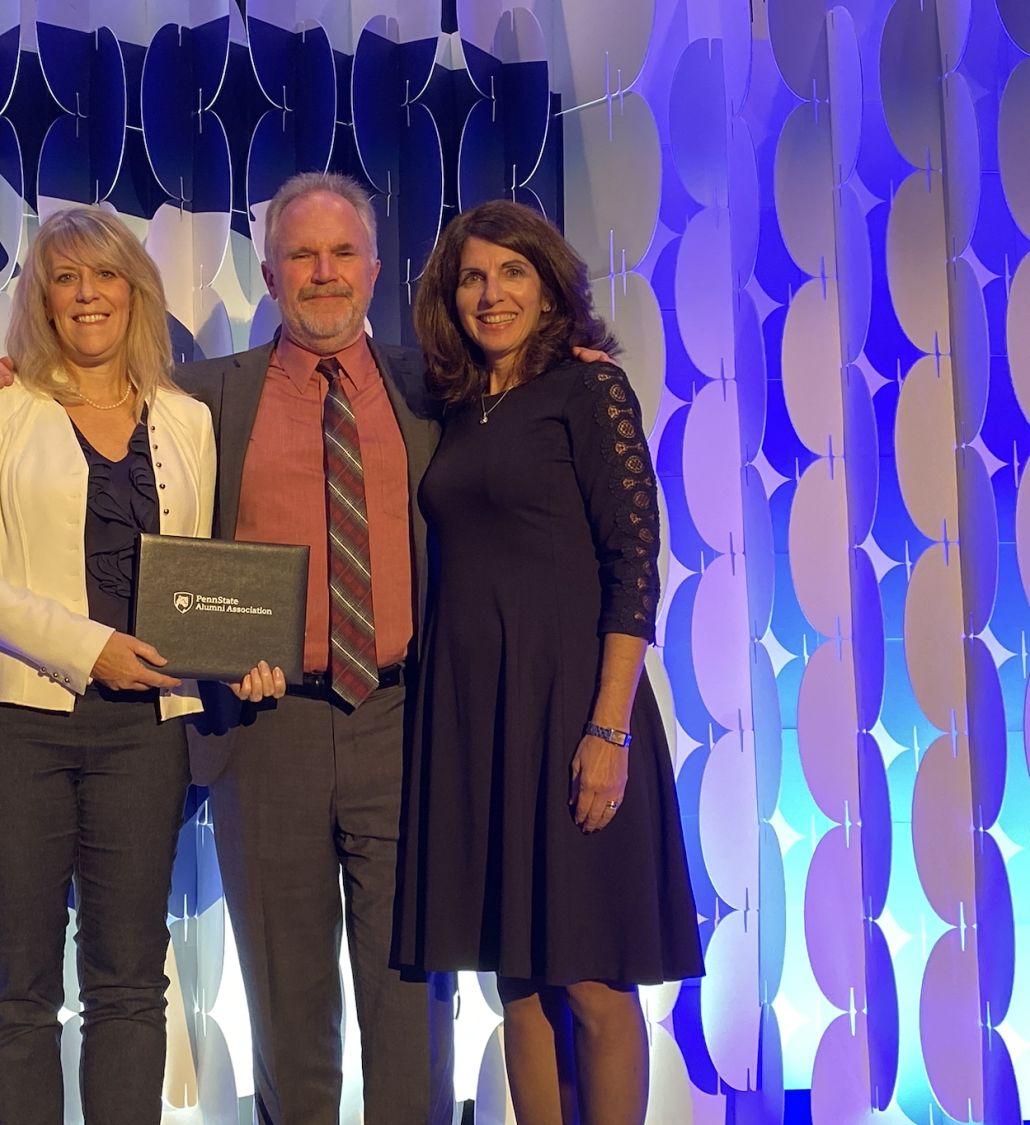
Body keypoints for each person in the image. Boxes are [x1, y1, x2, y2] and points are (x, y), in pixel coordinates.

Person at [0, 177, 607, 1124]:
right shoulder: (206, 397)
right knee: (288, 1015)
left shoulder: (438, 388)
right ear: (267, 271)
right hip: (265, 734)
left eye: (343, 254)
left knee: (411, 1001)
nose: (324, 273)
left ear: (375, 271)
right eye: (302, 255)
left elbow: (532, 401)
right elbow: (85, 399)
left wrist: (572, 357)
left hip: (406, 723)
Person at [0, 206, 283, 1125]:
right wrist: (90, 648)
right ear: (42, 298)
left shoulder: (188, 419)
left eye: (105, 276)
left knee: (130, 977)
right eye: (65, 278)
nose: (87, 295)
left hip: (146, 730)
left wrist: (239, 655)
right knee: (17, 983)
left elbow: (201, 575)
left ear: (136, 291)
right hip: (11, 723)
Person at [391, 199, 703, 1125]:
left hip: (576, 708)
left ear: (549, 283)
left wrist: (608, 727)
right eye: (473, 278)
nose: (491, 294)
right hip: (477, 716)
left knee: (596, 982)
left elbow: (633, 566)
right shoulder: (450, 402)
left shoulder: (590, 389)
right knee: (518, 981)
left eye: (512, 273)